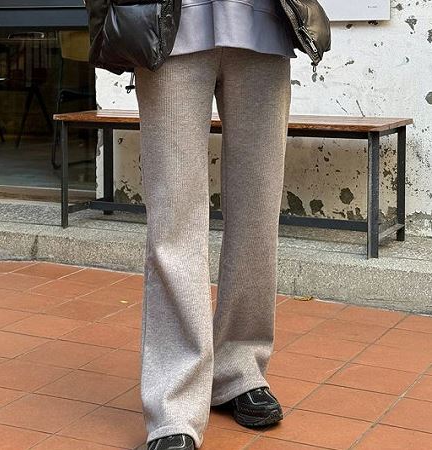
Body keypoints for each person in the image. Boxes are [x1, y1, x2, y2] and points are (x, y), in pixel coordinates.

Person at [134, 0, 296, 448]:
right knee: (174, 221)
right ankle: (173, 405)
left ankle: (238, 368)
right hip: (171, 27)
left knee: (258, 215)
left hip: (262, 25)